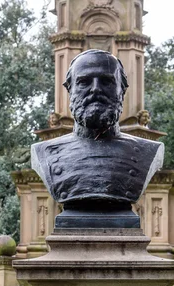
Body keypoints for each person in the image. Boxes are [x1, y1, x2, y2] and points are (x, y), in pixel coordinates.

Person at [31, 50, 164, 226]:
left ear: (122, 90)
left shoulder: (149, 151)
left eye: (107, 81)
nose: (95, 89)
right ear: (70, 90)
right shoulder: (43, 152)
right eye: (84, 82)